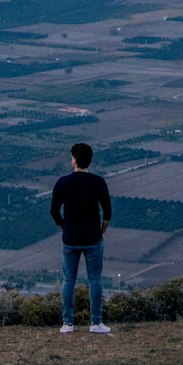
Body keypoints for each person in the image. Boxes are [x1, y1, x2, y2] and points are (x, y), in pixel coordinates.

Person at [50, 141, 112, 334]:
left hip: (70, 238)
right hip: (92, 237)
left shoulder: (63, 182)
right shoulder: (98, 182)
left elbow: (53, 210)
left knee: (69, 280)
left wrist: (64, 227)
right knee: (95, 279)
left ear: (74, 160)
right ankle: (96, 323)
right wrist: (102, 230)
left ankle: (67, 324)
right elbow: (107, 211)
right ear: (89, 161)